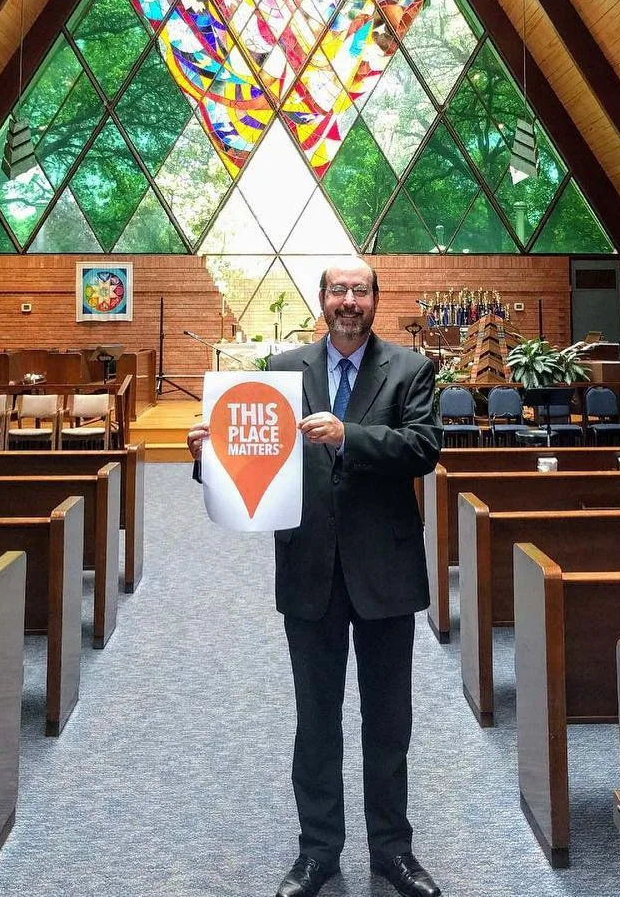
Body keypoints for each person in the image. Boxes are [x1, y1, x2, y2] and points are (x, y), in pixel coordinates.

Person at [188, 260, 442, 897]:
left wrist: (349, 435)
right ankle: (318, 852)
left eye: (360, 291)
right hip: (310, 569)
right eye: (338, 291)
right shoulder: (281, 372)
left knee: (388, 723)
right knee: (316, 722)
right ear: (322, 300)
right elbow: (257, 461)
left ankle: (392, 851)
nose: (348, 301)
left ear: (376, 300)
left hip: (384, 571)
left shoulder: (410, 369)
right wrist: (208, 456)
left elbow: (423, 448)